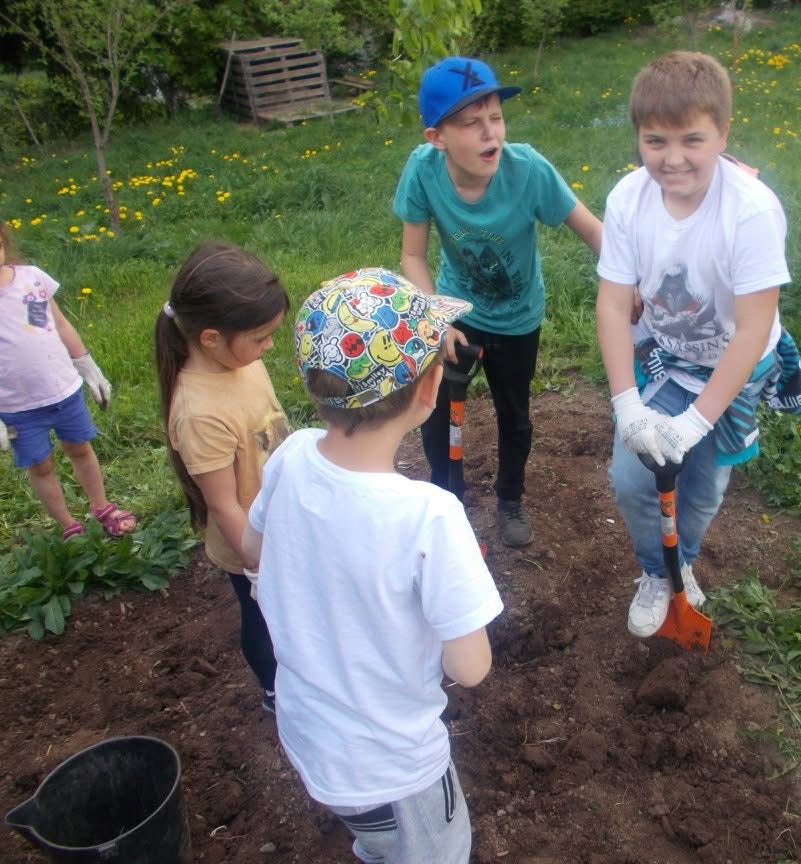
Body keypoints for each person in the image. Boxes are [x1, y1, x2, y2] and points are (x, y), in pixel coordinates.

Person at [243, 268, 502, 864]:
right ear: (429, 390)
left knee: (376, 837)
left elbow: (256, 550)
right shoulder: (428, 516)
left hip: (309, 732)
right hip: (393, 766)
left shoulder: (291, 453)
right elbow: (471, 667)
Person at [596, 51, 793, 638]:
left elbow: (754, 327)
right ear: (638, 137)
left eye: (692, 139)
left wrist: (695, 423)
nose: (672, 158)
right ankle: (658, 572)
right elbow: (611, 303)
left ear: (723, 134)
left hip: (735, 363)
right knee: (633, 479)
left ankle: (684, 557)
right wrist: (628, 406)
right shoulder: (629, 200)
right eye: (655, 141)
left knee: (702, 491)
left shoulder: (751, 212)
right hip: (666, 356)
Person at [393, 55, 602, 548]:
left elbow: (594, 232)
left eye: (496, 117)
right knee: (438, 413)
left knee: (515, 413)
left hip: (516, 317)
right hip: (454, 311)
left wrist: (635, 282)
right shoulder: (423, 172)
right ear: (437, 137)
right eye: (471, 123)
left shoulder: (527, 170)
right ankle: (447, 503)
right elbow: (412, 255)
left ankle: (510, 500)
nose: (491, 133)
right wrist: (438, 318)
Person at [154, 241, 290, 713]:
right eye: (260, 337)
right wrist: (258, 565)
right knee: (262, 618)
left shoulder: (241, 360)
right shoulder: (198, 413)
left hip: (280, 522)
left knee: (293, 618)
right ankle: (275, 692)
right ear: (210, 338)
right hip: (250, 545)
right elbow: (224, 504)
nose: (269, 346)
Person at [0, 221, 135, 540]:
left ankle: (101, 505)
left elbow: (57, 325)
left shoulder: (31, 280)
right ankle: (67, 524)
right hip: (16, 406)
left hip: (63, 390)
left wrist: (88, 367)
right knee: (41, 465)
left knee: (80, 448)